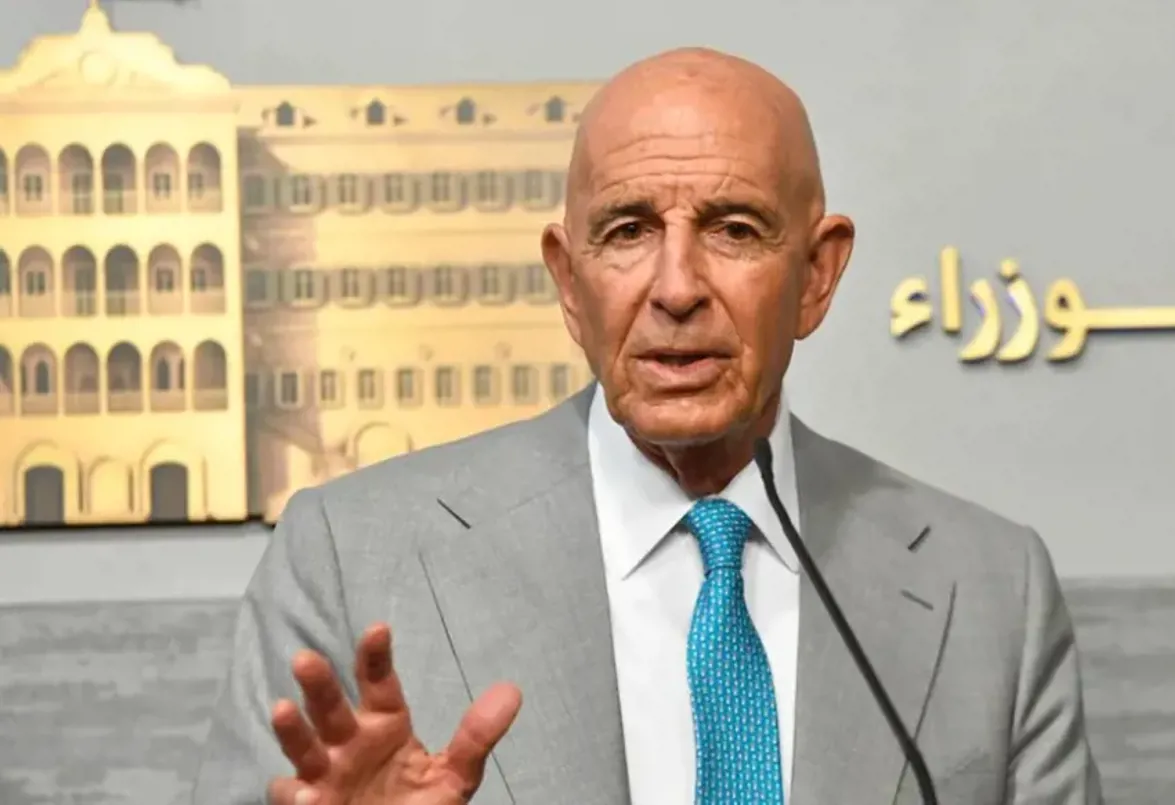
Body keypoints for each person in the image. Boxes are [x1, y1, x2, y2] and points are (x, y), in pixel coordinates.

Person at [191, 47, 1103, 805]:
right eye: (628, 230)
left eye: (734, 229)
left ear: (818, 275)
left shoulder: (991, 589)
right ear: (568, 280)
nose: (675, 288)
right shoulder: (349, 558)